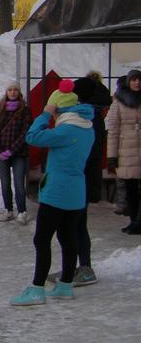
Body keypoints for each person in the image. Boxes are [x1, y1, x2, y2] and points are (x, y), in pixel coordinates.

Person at [11, 81, 94, 306]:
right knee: (68, 238)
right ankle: (65, 285)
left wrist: (44, 115)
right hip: (76, 192)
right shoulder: (87, 127)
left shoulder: (66, 130)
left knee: (42, 239)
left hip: (57, 192)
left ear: (58, 109)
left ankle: (37, 288)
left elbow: (33, 137)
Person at [66, 73, 113, 286]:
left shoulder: (89, 118)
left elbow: (89, 152)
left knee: (77, 223)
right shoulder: (93, 115)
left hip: (81, 177)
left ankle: (84, 267)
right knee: (75, 223)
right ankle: (78, 266)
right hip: (82, 176)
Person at [0, 82, 32, 224]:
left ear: (19, 93)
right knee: (5, 183)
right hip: (1, 153)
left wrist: (12, 150)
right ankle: (8, 210)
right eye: (10, 89)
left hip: (19, 153)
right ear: (6, 92)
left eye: (15, 90)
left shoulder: (25, 110)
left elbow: (25, 132)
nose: (12, 92)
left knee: (19, 183)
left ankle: (22, 212)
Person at [106, 69, 141, 234]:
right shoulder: (119, 102)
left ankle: (138, 222)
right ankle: (134, 220)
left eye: (139, 80)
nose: (137, 83)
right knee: (130, 189)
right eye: (134, 80)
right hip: (126, 151)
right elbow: (112, 130)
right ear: (129, 82)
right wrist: (112, 155)